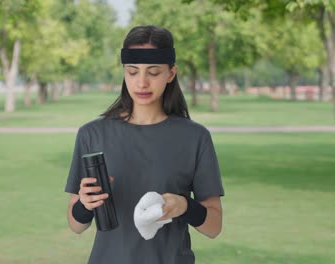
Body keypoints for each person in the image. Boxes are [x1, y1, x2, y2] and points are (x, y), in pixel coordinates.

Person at [65, 25, 224, 264]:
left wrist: (184, 205)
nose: (141, 83)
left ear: (171, 73)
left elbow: (214, 226)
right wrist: (85, 205)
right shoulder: (92, 134)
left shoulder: (195, 137)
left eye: (153, 72)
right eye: (132, 71)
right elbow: (76, 225)